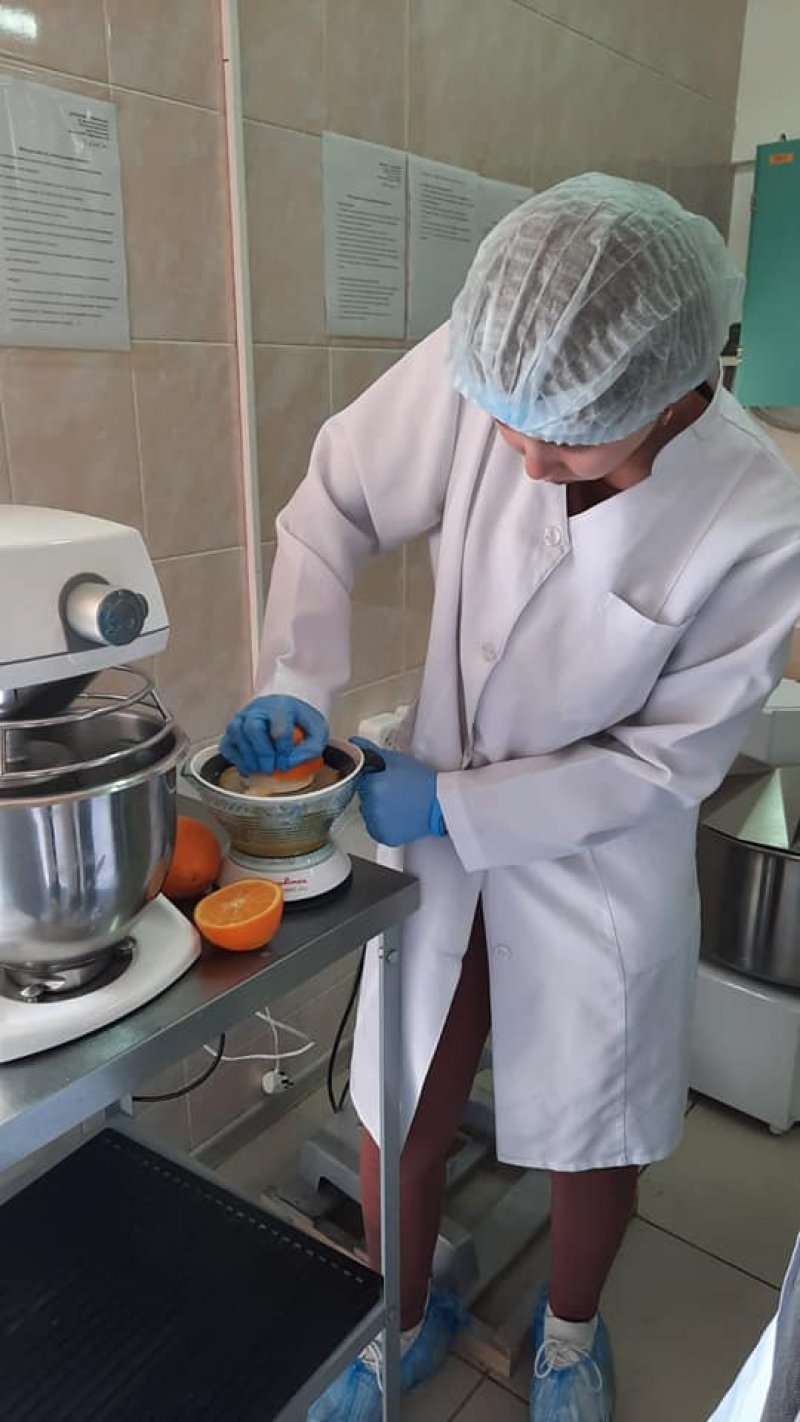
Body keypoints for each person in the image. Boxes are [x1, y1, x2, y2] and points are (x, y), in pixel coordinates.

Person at [221, 174, 800, 1421]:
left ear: (673, 394)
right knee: (401, 1097)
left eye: (568, 444)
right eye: (503, 429)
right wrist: (296, 682)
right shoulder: (496, 367)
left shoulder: (758, 516)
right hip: (435, 839)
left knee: (595, 1123)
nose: (523, 460)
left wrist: (463, 807)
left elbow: (668, 761)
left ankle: (568, 1335)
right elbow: (333, 504)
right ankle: (395, 1317)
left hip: (599, 859)